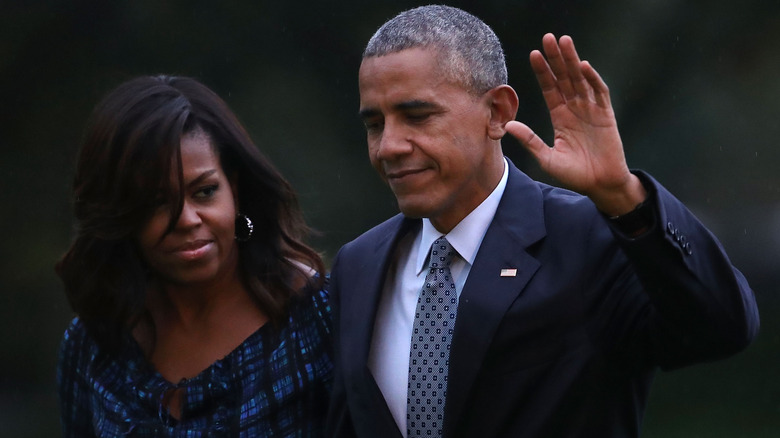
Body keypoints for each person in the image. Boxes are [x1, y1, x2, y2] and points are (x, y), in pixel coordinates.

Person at [327, 5, 759, 438]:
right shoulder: (358, 265)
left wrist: (624, 196)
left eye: (417, 116)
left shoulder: (594, 237)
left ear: (497, 112)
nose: (389, 146)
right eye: (374, 124)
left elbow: (721, 328)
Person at [56, 75, 333, 436]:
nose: (187, 220)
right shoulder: (95, 345)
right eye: (157, 203)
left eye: (204, 192)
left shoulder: (316, 317)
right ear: (119, 214)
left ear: (234, 187)